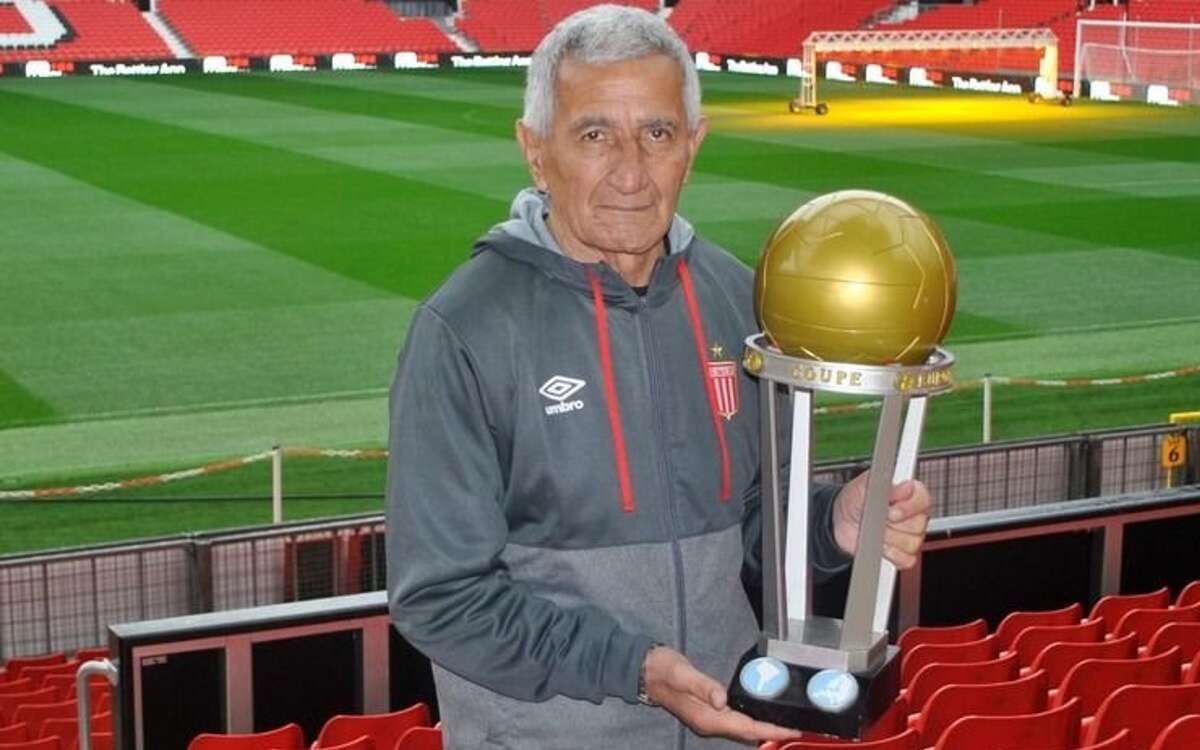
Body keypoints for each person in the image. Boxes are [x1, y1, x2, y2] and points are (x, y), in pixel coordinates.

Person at [386, 6, 932, 748]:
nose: (631, 173)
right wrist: (635, 670)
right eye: (594, 135)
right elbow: (440, 597)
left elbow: (751, 523)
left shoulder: (739, 300)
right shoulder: (464, 330)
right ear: (535, 151)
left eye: (657, 133)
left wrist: (832, 524)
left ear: (693, 146)